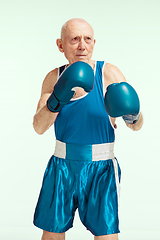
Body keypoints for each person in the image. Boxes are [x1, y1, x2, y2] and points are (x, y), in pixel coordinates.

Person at [33, 18, 143, 240]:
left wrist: (133, 114)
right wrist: (57, 99)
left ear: (94, 43)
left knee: (106, 236)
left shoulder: (108, 73)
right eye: (74, 39)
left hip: (101, 170)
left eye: (87, 39)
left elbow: (137, 126)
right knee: (51, 236)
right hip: (61, 167)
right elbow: (38, 126)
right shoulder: (54, 77)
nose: (82, 45)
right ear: (60, 45)